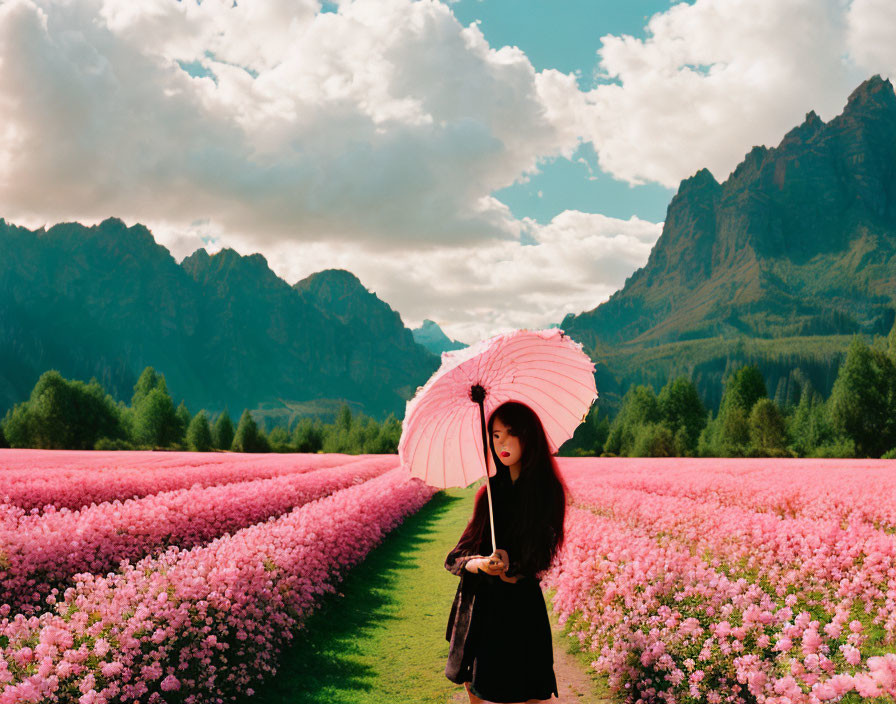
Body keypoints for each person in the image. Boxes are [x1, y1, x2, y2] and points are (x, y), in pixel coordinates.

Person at [443, 401, 566, 703]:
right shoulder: (489, 493)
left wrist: (517, 568)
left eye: (511, 434)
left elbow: (545, 553)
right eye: (495, 436)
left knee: (530, 693)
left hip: (522, 608)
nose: (502, 444)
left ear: (529, 436)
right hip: (483, 608)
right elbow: (455, 557)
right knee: (482, 690)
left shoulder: (547, 492)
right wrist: (481, 564)